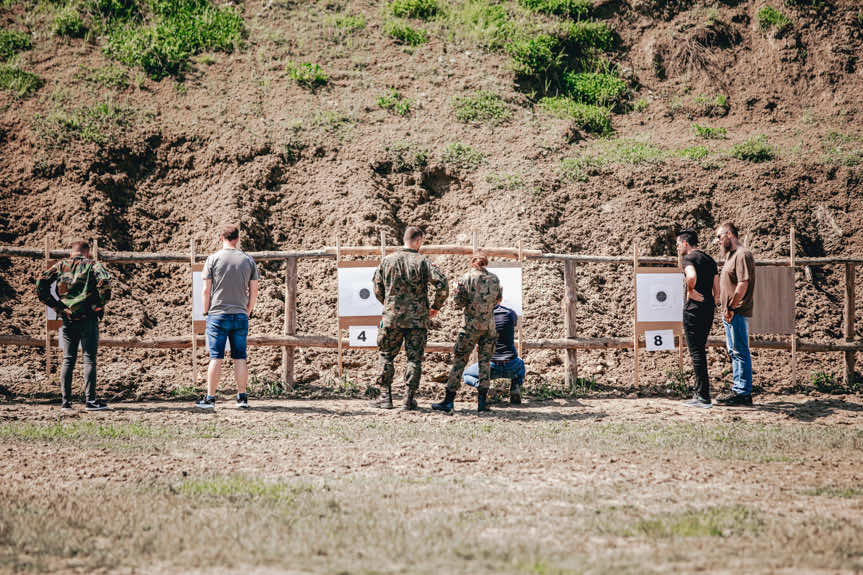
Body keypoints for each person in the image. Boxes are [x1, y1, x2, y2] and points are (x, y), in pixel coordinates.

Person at [372, 226, 448, 410]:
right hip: (417, 320)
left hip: (392, 318)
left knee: (386, 355)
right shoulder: (423, 262)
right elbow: (443, 286)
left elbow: (377, 288)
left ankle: (385, 397)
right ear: (418, 241)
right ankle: (408, 399)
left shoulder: (387, 261)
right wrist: (434, 308)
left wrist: (389, 304)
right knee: (414, 359)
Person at [36, 239, 112, 411]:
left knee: (68, 359)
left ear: (72, 252)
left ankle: (66, 402)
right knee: (89, 359)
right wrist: (100, 304)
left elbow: (41, 284)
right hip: (89, 317)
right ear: (87, 251)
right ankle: (90, 401)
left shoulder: (61, 265)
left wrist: (56, 305)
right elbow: (105, 282)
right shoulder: (93, 265)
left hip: (68, 318)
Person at [195, 225, 259, 410]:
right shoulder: (248, 260)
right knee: (240, 357)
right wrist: (247, 311)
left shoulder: (213, 259)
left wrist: (206, 311)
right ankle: (242, 397)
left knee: (216, 357)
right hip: (240, 314)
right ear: (238, 239)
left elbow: (206, 289)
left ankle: (211, 398)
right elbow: (254, 290)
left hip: (217, 314)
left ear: (221, 238)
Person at [432, 254, 502, 413]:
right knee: (485, 364)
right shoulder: (495, 279)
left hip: (470, 327)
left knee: (459, 361)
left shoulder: (466, 278)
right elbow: (498, 300)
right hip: (489, 326)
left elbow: (458, 303)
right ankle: (482, 403)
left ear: (472, 262)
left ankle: (448, 401)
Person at [676, 229, 719, 408]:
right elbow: (717, 289)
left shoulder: (688, 259)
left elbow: (691, 276)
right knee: (700, 350)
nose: (677, 248)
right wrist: (712, 303)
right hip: (708, 309)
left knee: (696, 353)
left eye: (678, 245)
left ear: (686, 244)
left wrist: (691, 290)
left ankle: (703, 396)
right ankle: (701, 393)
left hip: (693, 310)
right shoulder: (710, 260)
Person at [715, 222, 756, 406]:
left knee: (739, 350)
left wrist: (731, 307)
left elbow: (743, 284)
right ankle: (739, 389)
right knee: (734, 350)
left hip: (737, 311)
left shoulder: (742, 255)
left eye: (719, 236)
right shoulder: (732, 256)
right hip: (730, 311)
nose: (717, 241)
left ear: (730, 234)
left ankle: (742, 392)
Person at [461, 296, 526, 405]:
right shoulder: (511, 314)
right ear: (500, 299)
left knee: (466, 374)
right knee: (521, 363)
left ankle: (481, 385)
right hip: (511, 364)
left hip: (490, 366)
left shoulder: (482, 317)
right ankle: (515, 387)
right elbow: (512, 324)